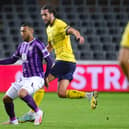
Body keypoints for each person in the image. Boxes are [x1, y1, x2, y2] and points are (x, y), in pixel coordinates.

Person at [18, 4, 98, 122]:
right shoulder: (48, 29)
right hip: (70, 64)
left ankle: (33, 113)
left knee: (41, 82)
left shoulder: (59, 24)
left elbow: (71, 30)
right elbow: (50, 46)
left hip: (63, 61)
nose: (43, 17)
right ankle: (89, 95)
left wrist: (78, 36)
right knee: (61, 93)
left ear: (52, 14)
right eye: (42, 15)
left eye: (45, 14)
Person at [1, 23, 53, 125]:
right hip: (24, 78)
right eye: (21, 31)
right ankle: (13, 120)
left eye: (24, 31)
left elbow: (49, 61)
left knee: (22, 93)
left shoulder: (38, 44)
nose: (22, 33)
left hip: (36, 77)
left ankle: (38, 112)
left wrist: (46, 77)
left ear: (31, 31)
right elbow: (12, 59)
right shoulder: (21, 46)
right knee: (6, 99)